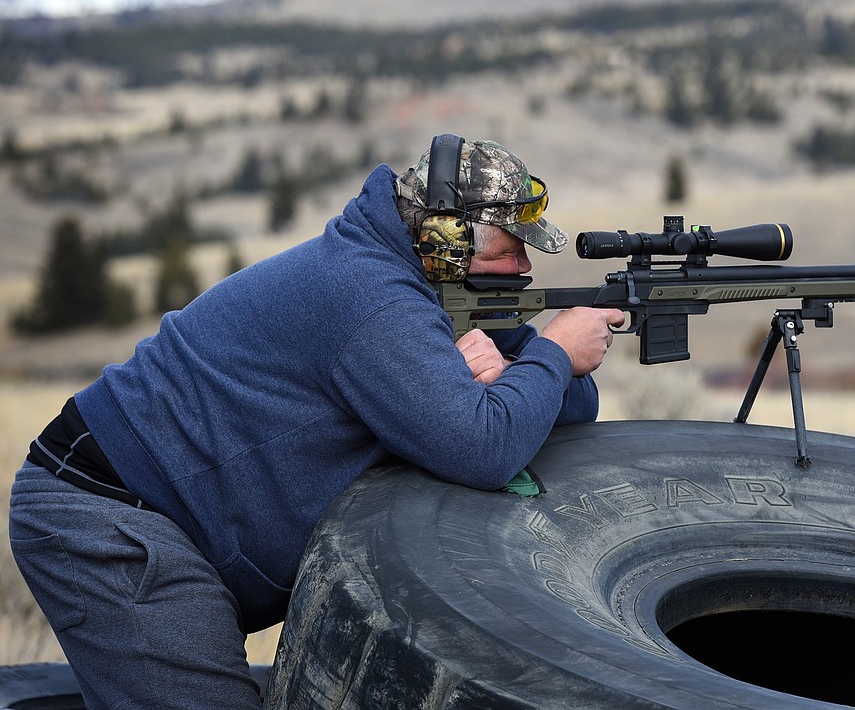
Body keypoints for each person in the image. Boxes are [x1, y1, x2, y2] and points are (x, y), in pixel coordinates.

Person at [8, 136, 624, 708]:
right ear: (446, 239)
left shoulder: (432, 290)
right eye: (510, 246)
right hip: (108, 509)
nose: (522, 265)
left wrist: (527, 371)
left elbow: (566, 408)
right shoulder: (372, 298)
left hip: (156, 508)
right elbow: (483, 449)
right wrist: (550, 355)